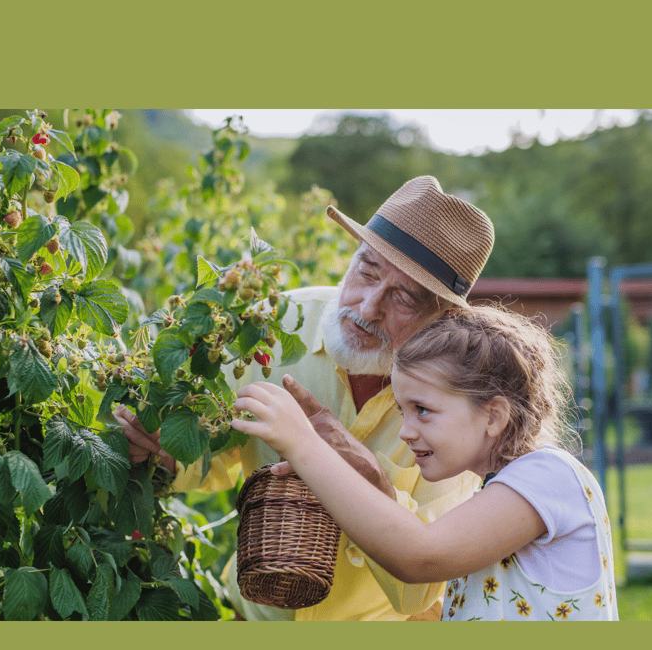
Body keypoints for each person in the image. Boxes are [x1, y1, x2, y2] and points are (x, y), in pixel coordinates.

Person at [115, 175, 497, 621]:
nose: (368, 306)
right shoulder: (274, 327)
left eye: (404, 299)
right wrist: (160, 451)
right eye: (367, 270)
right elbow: (208, 462)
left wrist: (367, 479)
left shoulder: (460, 399)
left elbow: (427, 584)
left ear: (442, 318)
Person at [232, 305, 619, 621]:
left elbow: (419, 556)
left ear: (493, 416)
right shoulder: (499, 494)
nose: (406, 431)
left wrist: (303, 445)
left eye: (423, 410)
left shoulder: (549, 476)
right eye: (403, 411)